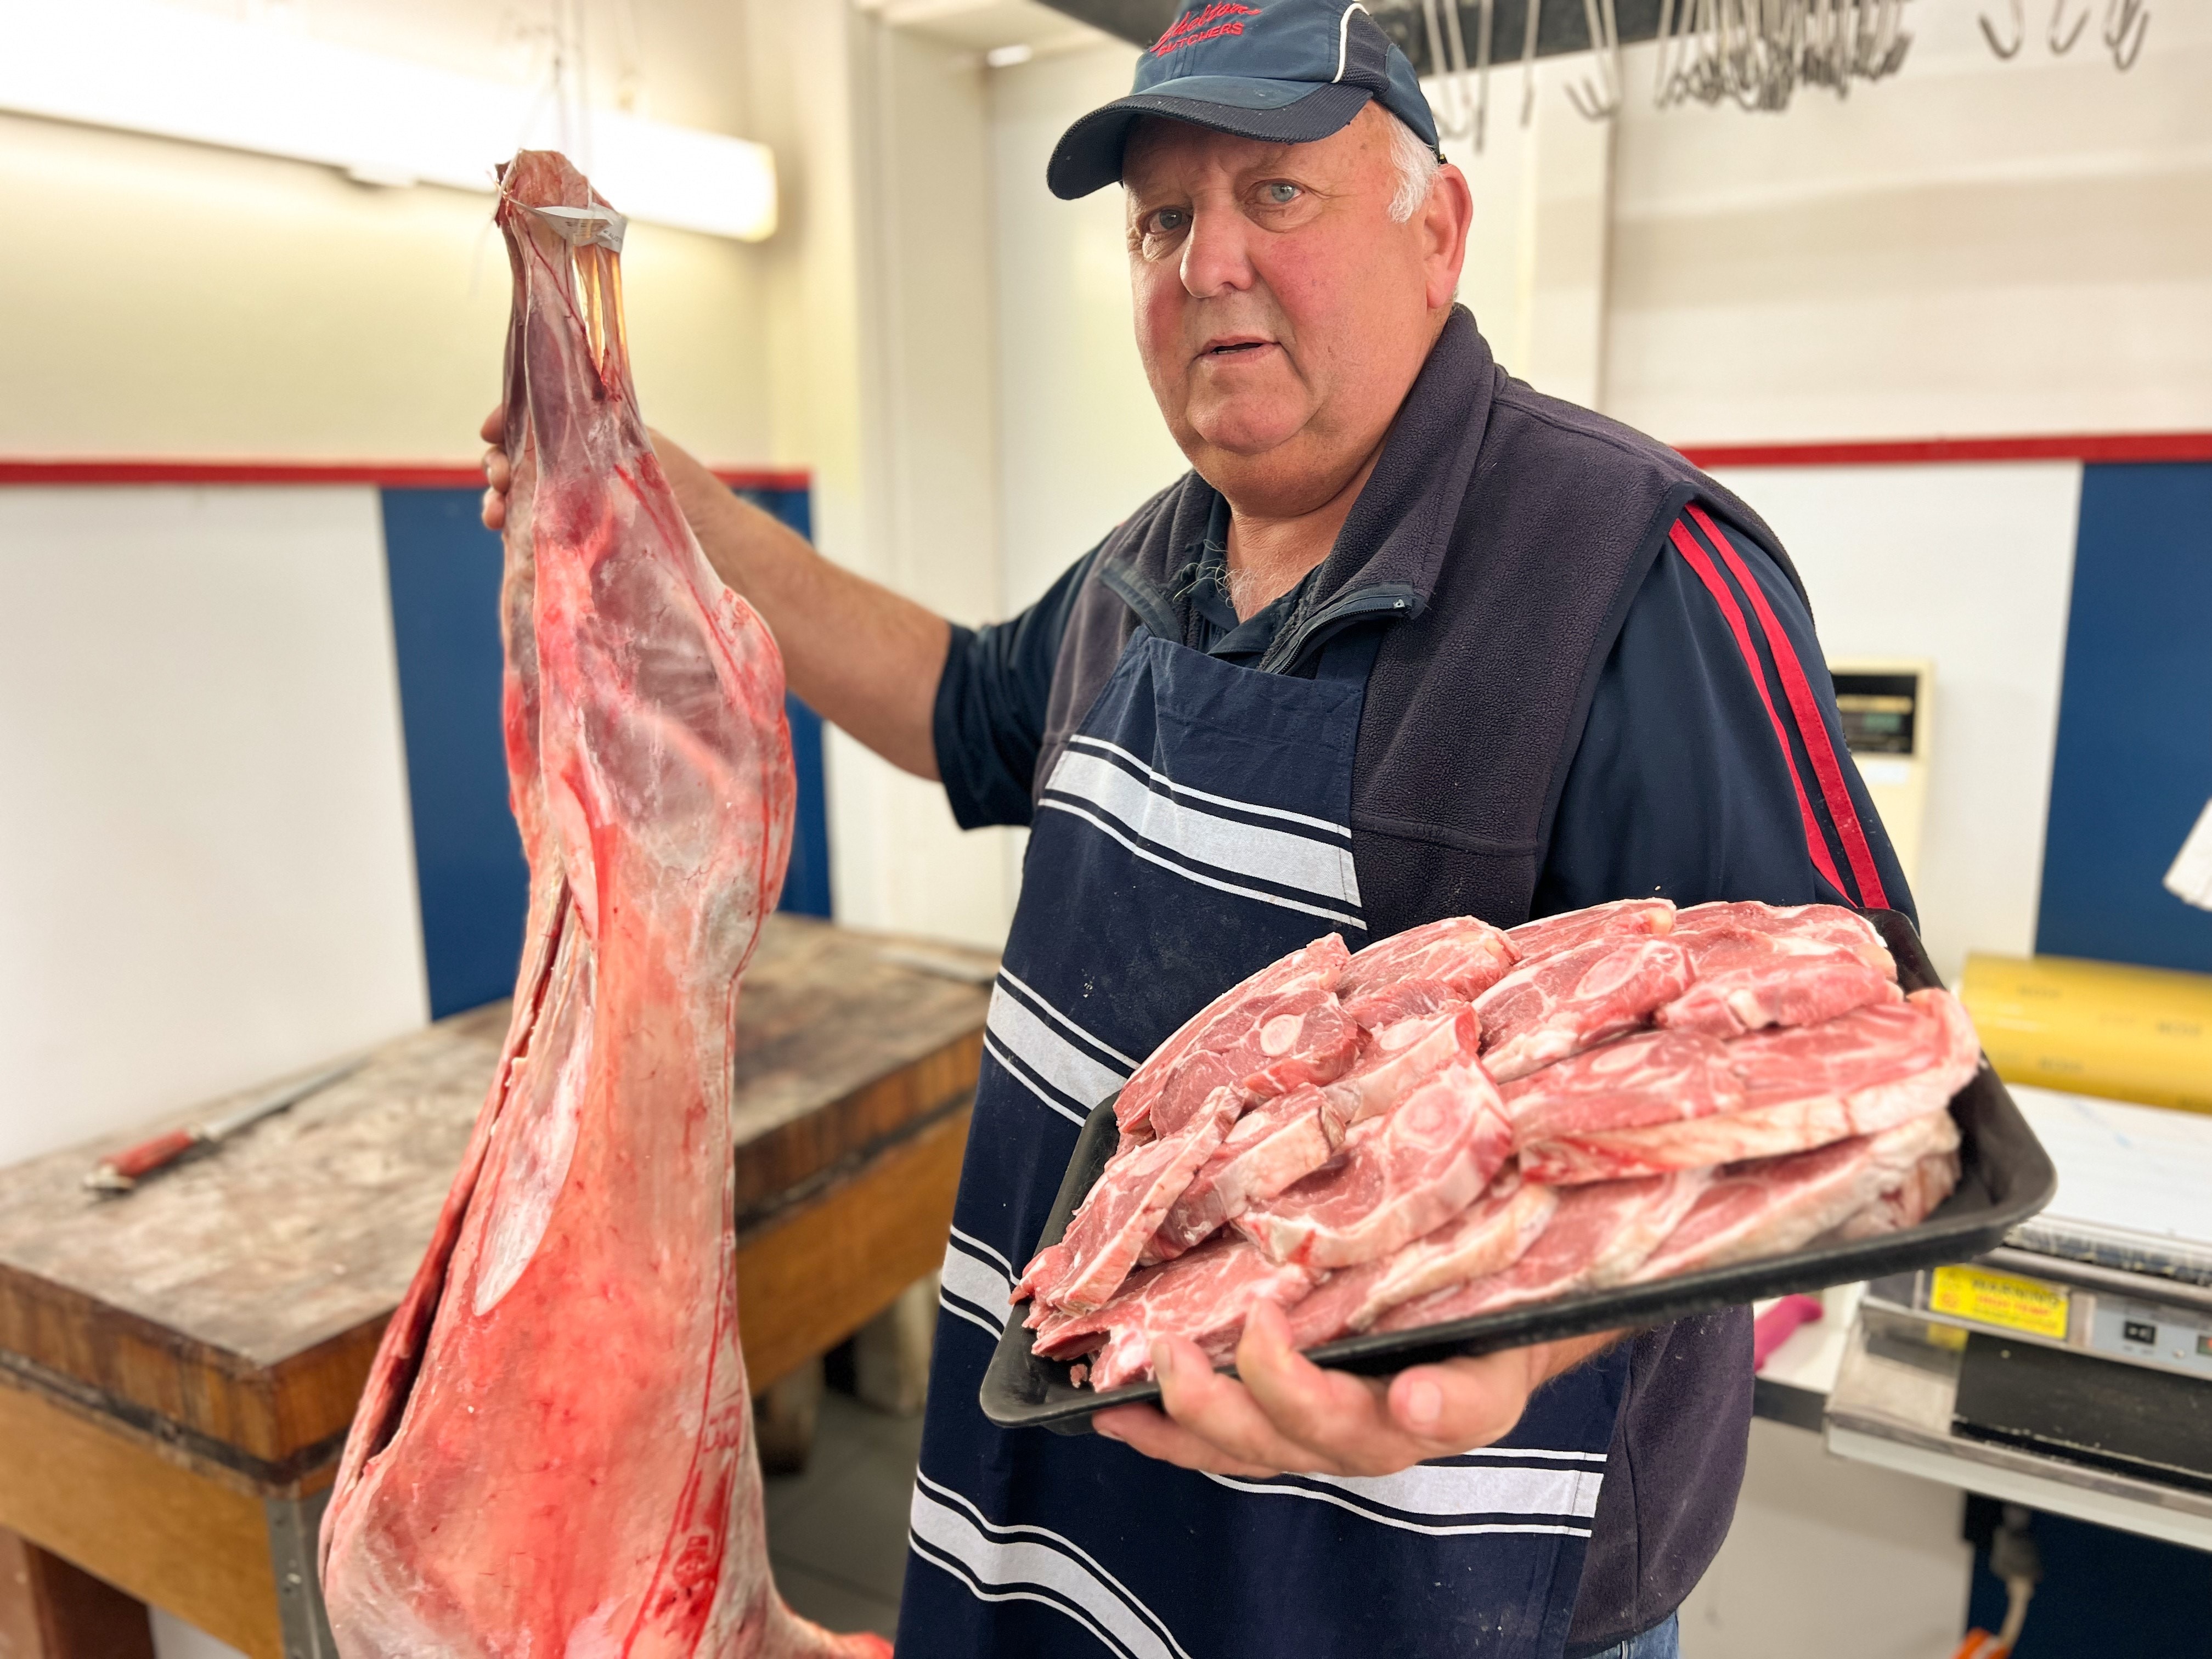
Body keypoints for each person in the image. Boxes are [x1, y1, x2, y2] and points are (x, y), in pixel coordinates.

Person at [483, 1, 1911, 1652]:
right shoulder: (1143, 567)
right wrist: (672, 504)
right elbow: (960, 705)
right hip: (1093, 1488)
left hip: (1427, 1565)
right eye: (1163, 219)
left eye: (1276, 195)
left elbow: (1860, 1075)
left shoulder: (1637, 570)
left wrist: (1531, 1331)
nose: (1205, 262)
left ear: (1435, 232)